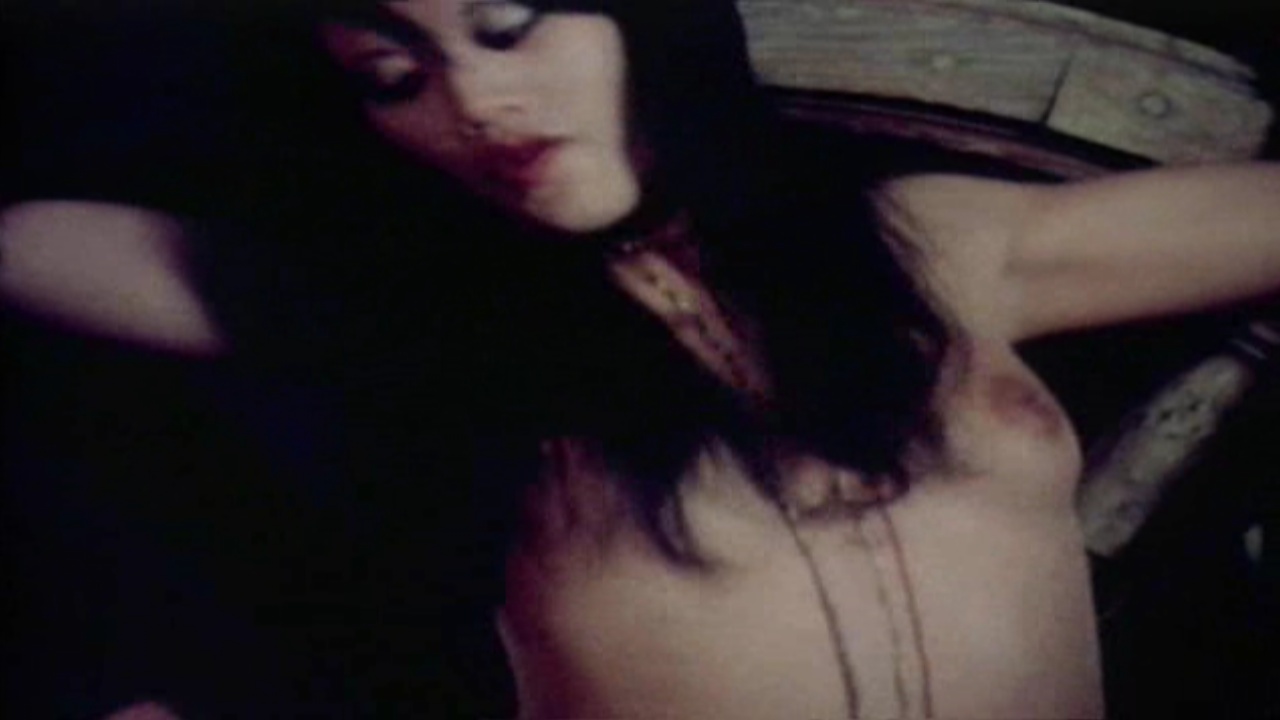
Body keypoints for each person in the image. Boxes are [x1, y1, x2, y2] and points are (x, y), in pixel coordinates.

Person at [3, 0, 1278, 717]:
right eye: (394, 76)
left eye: (508, 22)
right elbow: (29, 244)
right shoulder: (411, 321)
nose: (476, 102)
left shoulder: (930, 246)